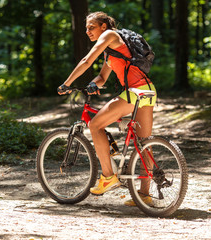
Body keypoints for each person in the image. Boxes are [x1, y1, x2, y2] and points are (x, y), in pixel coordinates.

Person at [57, 11, 157, 206]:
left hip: (134, 93)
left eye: (91, 27)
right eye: (86, 28)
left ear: (103, 26)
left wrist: (67, 83)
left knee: (94, 126)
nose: (87, 31)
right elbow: (103, 77)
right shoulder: (112, 48)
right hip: (148, 91)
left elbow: (86, 60)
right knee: (144, 143)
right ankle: (144, 196)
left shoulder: (109, 35)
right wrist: (94, 84)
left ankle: (108, 176)